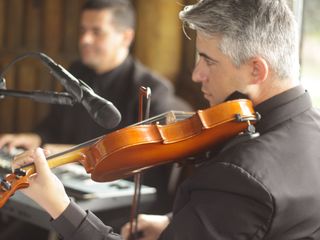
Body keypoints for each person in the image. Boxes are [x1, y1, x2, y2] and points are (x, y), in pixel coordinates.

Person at [9, 0, 320, 239]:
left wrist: (59, 207)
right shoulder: (311, 130)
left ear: (256, 70)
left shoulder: (240, 175)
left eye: (208, 60)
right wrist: (174, 224)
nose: (197, 74)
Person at [0, 0, 191, 214]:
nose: (85, 39)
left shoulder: (152, 90)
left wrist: (63, 154)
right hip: (61, 196)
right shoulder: (77, 73)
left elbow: (139, 164)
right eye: (82, 30)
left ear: (126, 37)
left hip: (118, 213)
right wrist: (35, 138)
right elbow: (53, 126)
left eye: (97, 32)